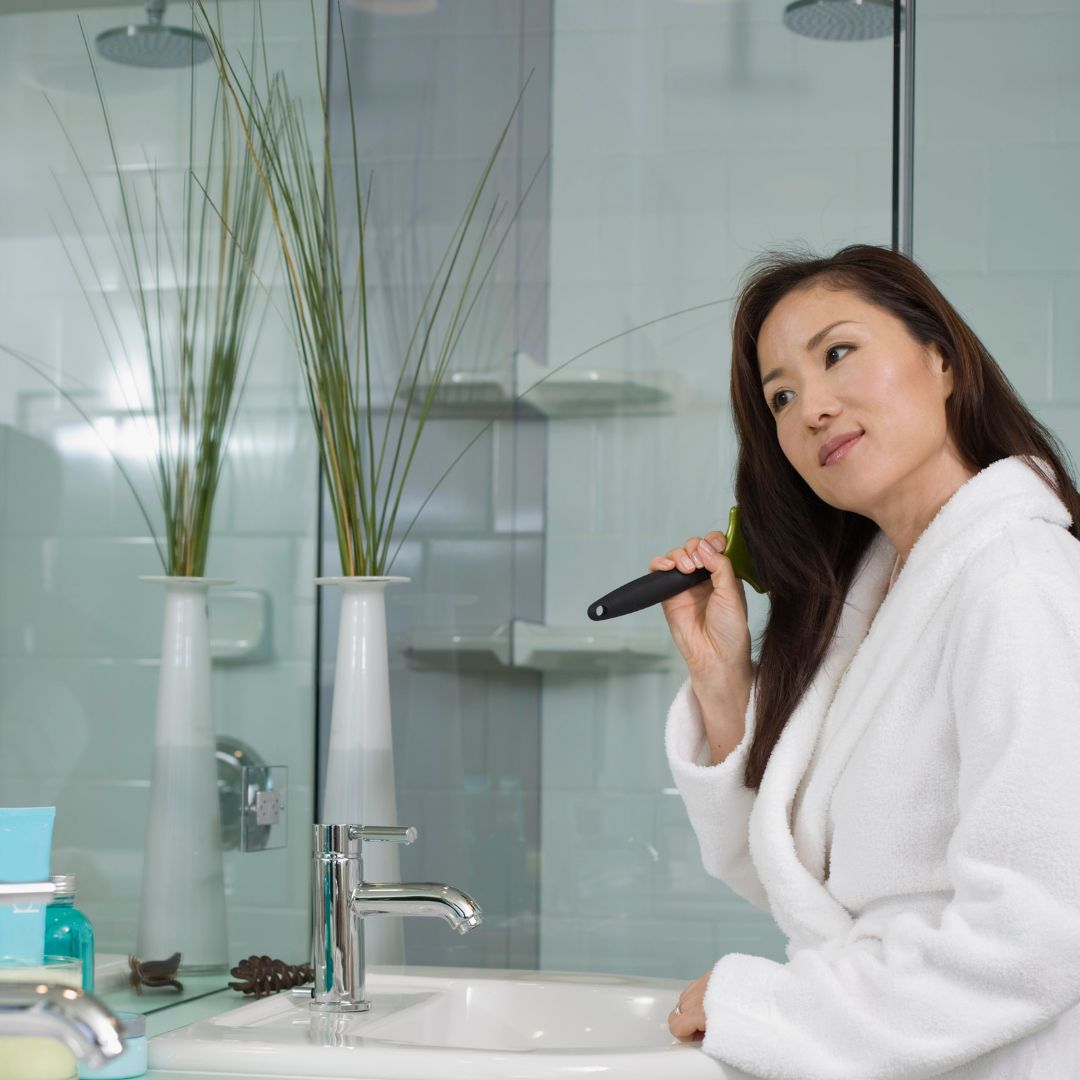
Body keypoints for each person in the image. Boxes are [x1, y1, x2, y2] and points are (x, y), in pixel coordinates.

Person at [654, 243, 1080, 1079]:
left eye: (838, 353)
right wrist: (724, 684)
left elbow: (1038, 930)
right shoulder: (880, 601)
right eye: (781, 395)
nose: (811, 408)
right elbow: (798, 881)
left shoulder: (1016, 580)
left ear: (942, 358)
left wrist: (769, 1008)